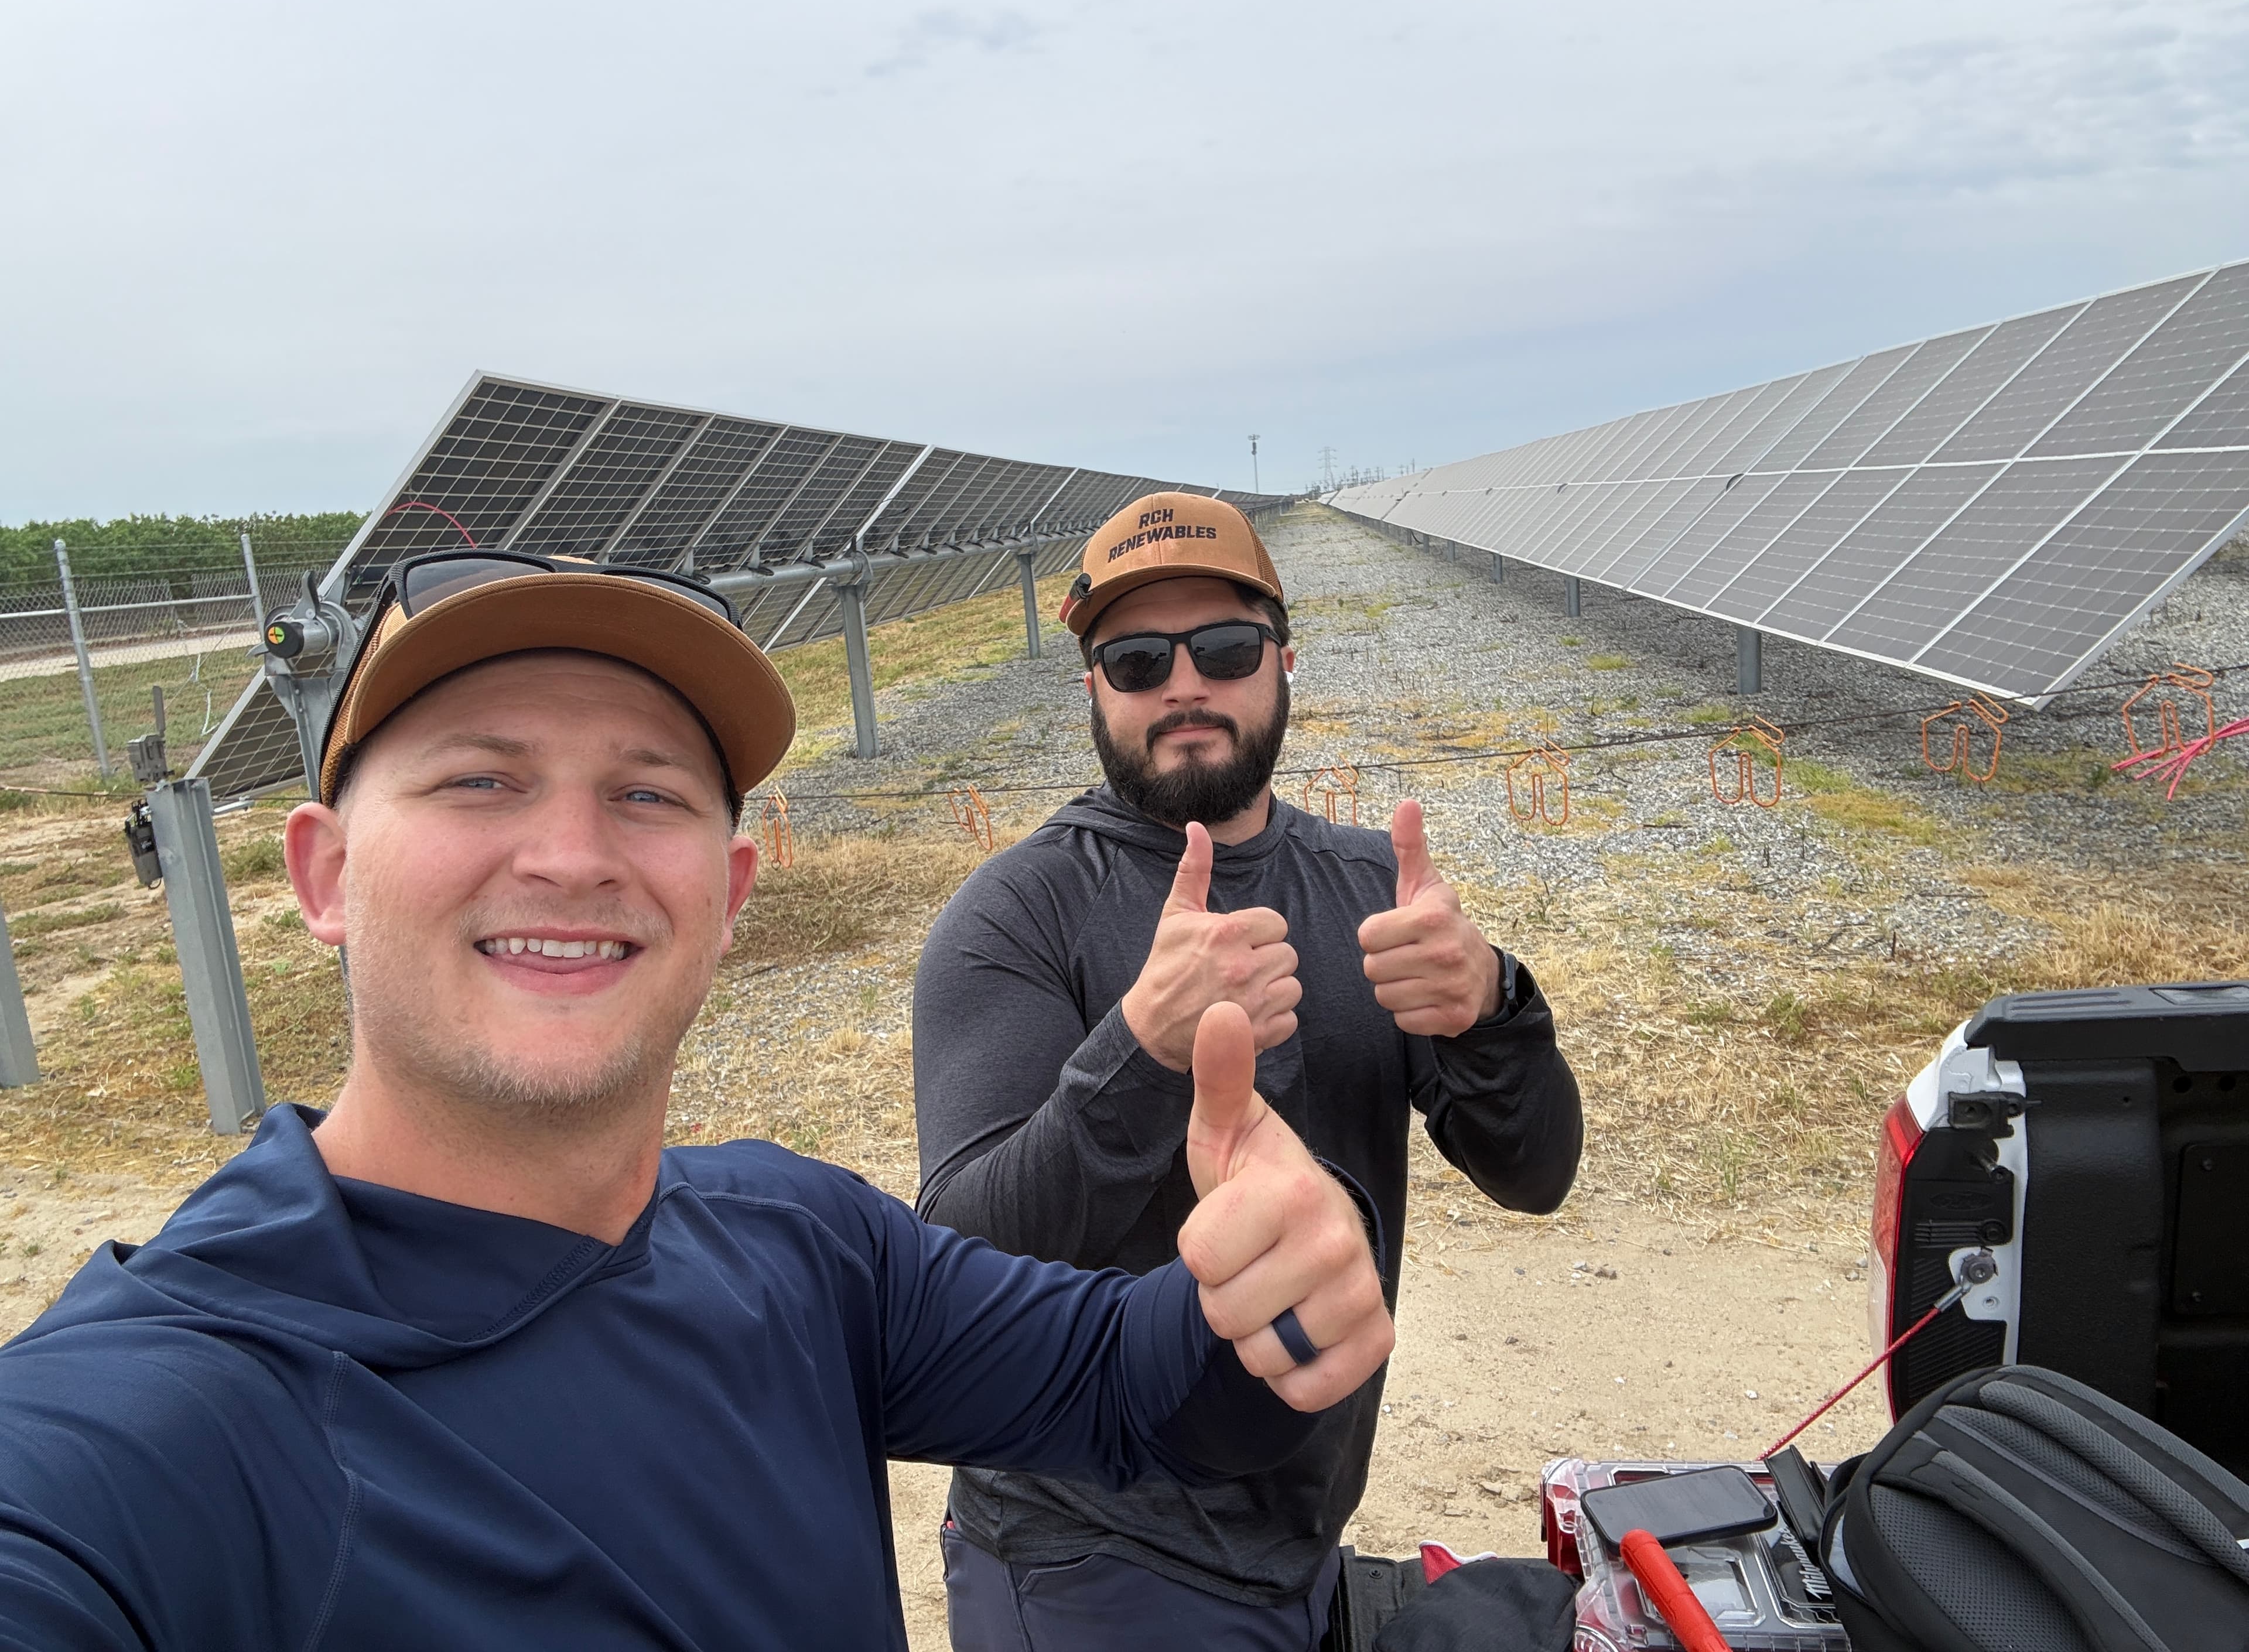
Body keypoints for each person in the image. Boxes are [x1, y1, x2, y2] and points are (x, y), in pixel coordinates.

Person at [0, 549, 1396, 1650]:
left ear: (725, 900)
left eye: (648, 794)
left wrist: (1277, 1291)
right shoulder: (170, 1423)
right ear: (322, 877)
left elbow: (1133, 1386)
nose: (569, 855)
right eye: (482, 778)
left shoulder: (801, 1246)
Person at [914, 493, 1584, 1650]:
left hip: (1299, 1530)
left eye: (1221, 649)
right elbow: (962, 1260)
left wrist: (1493, 1004)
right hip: (1088, 1555)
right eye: (1135, 659)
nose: (1184, 685)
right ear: (1093, 689)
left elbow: (1536, 1174)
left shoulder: (1370, 885)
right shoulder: (1017, 913)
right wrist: (1139, 1048)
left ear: (1280, 662)